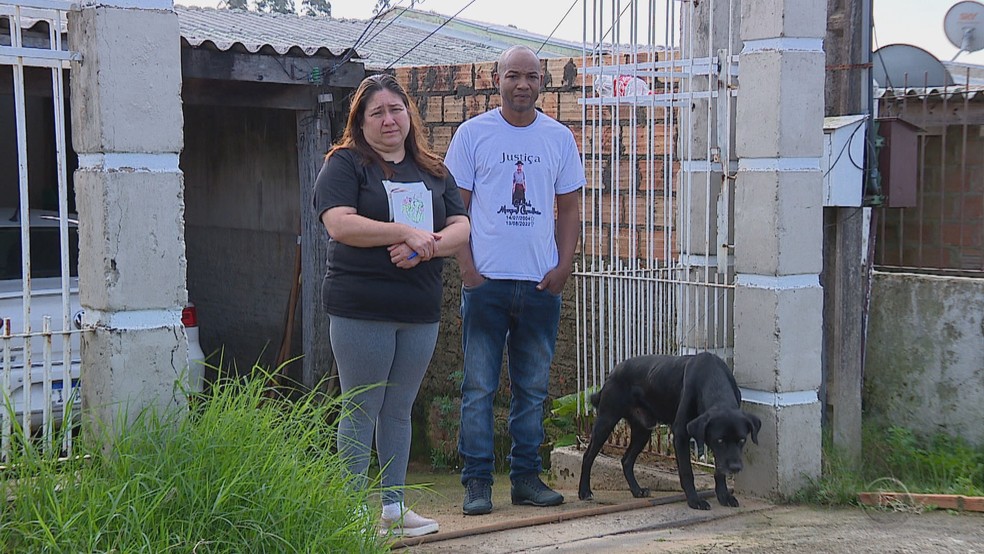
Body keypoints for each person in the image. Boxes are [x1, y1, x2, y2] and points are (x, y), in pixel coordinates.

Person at [312, 73, 470, 537]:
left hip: (418, 308)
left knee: (399, 409)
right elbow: (340, 224)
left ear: (409, 115)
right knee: (361, 407)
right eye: (376, 112)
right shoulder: (345, 164)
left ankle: (394, 508)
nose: (388, 119)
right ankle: (351, 511)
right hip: (362, 306)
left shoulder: (434, 170)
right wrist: (403, 232)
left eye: (396, 110)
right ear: (360, 122)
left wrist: (428, 245)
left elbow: (462, 226)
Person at [444, 45, 585, 516]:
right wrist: (467, 267)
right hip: (487, 285)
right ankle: (477, 483)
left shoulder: (559, 138)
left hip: (540, 285)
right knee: (479, 387)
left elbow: (569, 209)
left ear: (542, 82)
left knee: (533, 389)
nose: (522, 84)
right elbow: (453, 208)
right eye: (513, 76)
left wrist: (564, 265)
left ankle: (525, 478)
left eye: (531, 77)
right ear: (495, 79)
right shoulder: (472, 135)